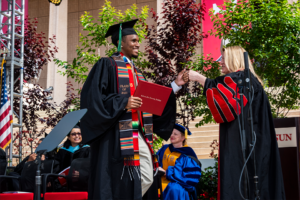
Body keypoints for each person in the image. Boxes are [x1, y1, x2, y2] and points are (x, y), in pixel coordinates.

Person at [80, 19, 188, 200]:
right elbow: (92, 98)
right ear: (120, 42)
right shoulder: (106, 64)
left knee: (146, 175)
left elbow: (152, 100)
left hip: (139, 132)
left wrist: (175, 86)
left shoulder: (138, 72)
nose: (138, 44)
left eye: (138, 41)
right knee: (121, 180)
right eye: (134, 40)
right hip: (116, 135)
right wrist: (123, 102)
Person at [188, 45, 286, 199]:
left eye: (223, 58)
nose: (219, 62)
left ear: (234, 59)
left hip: (245, 148)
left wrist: (199, 78)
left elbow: (221, 97)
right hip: (256, 145)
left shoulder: (241, 81)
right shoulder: (252, 82)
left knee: (242, 185)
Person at [156, 124, 201, 200]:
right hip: (159, 182)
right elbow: (155, 162)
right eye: (171, 133)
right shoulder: (164, 148)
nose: (172, 135)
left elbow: (189, 178)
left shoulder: (187, 154)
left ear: (182, 138)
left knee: (174, 188)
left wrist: (166, 172)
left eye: (175, 134)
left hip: (176, 186)